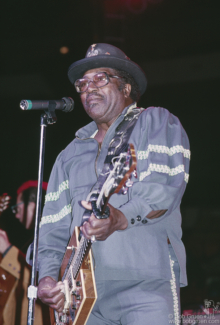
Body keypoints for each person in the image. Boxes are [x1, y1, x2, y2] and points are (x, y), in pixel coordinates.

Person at [30, 43, 190, 325]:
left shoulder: (154, 122)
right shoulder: (69, 154)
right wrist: (46, 278)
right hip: (80, 299)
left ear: (126, 88)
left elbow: (163, 192)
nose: (88, 88)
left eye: (100, 78)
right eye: (82, 83)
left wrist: (119, 218)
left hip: (143, 285)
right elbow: (52, 227)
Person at [0, 180, 48, 325]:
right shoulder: (31, 242)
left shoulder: (49, 238)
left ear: (32, 204)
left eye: (17, 209)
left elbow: (42, 281)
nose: (16, 216)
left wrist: (8, 250)